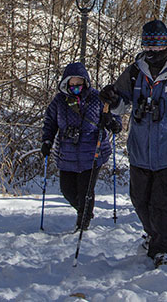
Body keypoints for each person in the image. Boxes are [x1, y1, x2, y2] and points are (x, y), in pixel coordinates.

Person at [99, 19, 167, 267]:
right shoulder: (134, 71)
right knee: (140, 199)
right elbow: (121, 105)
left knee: (164, 202)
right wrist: (112, 99)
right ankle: (152, 233)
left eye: (159, 44)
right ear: (143, 44)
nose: (155, 50)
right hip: (139, 151)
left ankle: (163, 248)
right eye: (150, 44)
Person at [40, 61, 121, 232]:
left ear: (86, 82)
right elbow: (50, 122)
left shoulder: (97, 98)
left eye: (79, 83)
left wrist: (112, 123)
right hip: (66, 153)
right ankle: (84, 212)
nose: (76, 86)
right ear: (66, 83)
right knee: (67, 190)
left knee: (86, 191)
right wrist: (46, 140)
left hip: (92, 153)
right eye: (72, 83)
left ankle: (82, 223)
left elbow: (114, 117)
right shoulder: (59, 101)